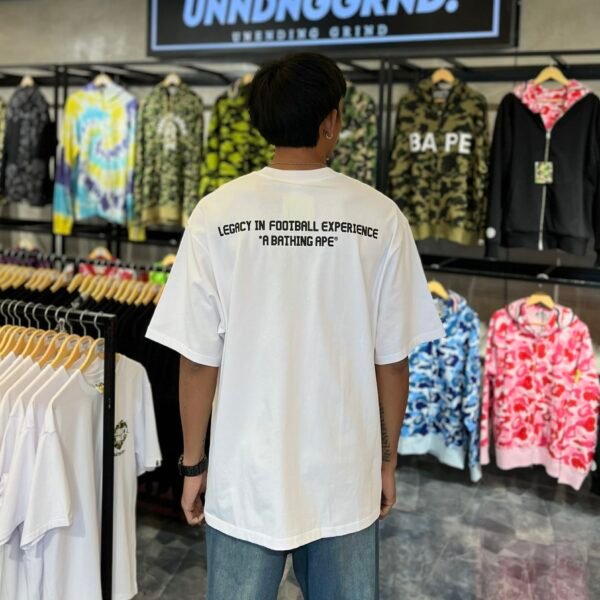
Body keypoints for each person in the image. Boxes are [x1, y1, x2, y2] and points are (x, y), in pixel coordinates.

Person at [146, 53, 444, 600]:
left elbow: (197, 361)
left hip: (246, 477)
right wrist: (386, 461)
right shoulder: (380, 217)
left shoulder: (216, 213)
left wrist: (192, 465)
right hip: (344, 477)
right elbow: (392, 361)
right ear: (331, 121)